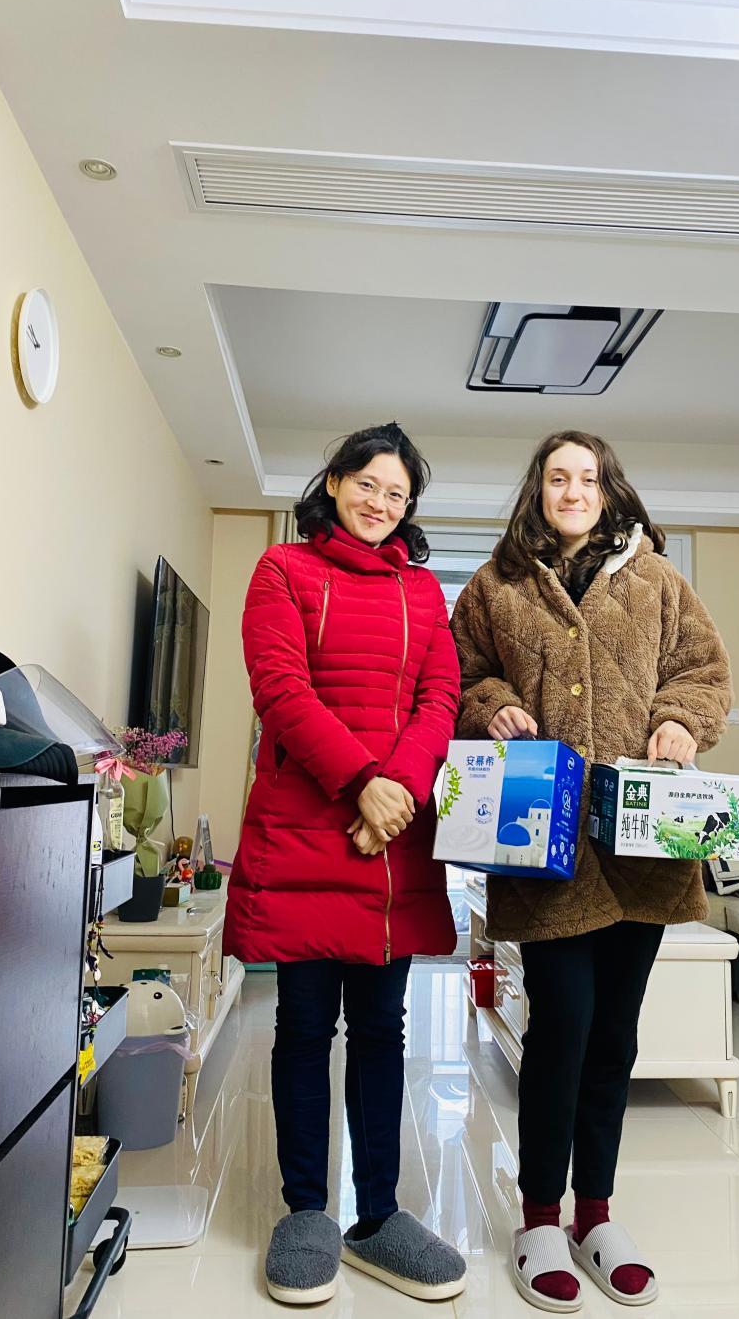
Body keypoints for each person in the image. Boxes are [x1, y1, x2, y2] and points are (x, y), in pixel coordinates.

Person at [451, 431, 732, 1312]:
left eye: (587, 478)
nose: (572, 490)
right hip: (546, 847)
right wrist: (493, 706)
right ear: (537, 490)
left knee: (614, 1035)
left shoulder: (657, 580)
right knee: (561, 1028)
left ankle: (597, 1215)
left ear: (609, 490)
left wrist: (680, 720)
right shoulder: (495, 585)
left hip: (642, 852)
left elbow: (703, 672)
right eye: (557, 477)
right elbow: (460, 674)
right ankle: (540, 1218)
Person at [224, 422, 467, 1306]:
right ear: (332, 482)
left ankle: (378, 1216)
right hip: (307, 831)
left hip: (390, 840)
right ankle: (305, 1210)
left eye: (397, 494)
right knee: (302, 1026)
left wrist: (396, 791)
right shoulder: (282, 571)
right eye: (368, 484)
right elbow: (281, 690)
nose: (380, 503)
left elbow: (441, 695)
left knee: (382, 1028)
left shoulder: (422, 591)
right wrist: (364, 785)